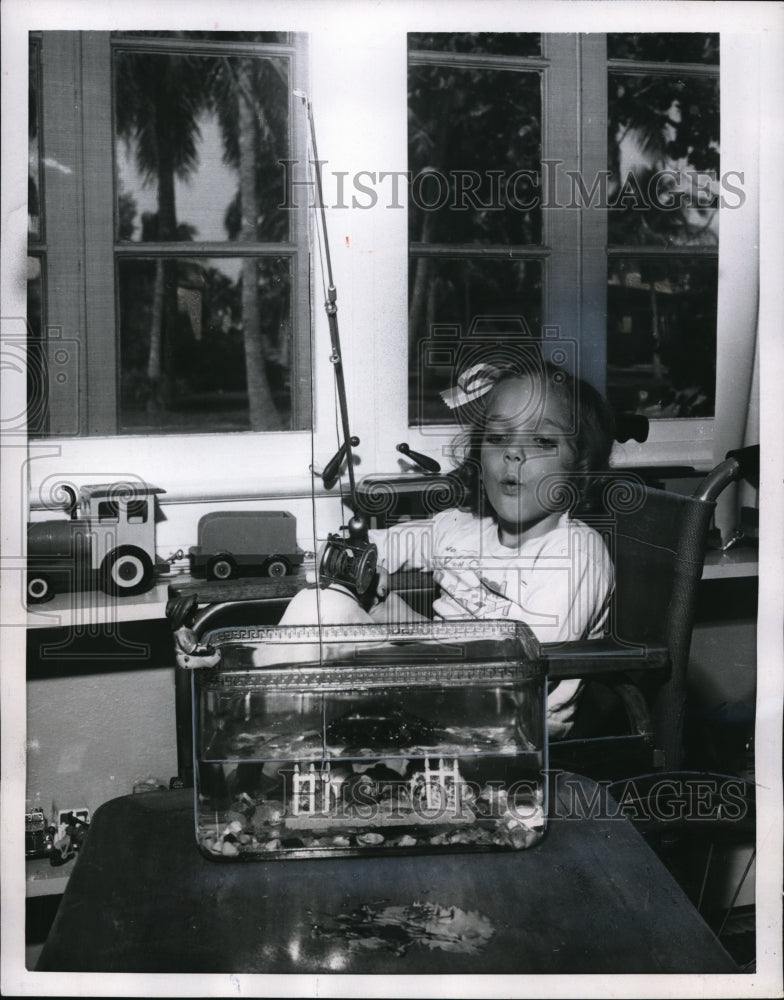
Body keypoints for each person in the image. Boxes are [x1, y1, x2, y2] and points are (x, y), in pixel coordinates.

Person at [272, 356, 616, 739]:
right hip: (439, 691)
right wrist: (363, 572)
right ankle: (266, 729)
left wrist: (405, 624)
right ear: (479, 456)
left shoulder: (575, 553)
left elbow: (516, 670)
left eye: (541, 440)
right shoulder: (462, 527)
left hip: (507, 724)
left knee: (328, 699)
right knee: (319, 605)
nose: (513, 453)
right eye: (498, 437)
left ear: (580, 464)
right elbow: (366, 546)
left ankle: (281, 737)